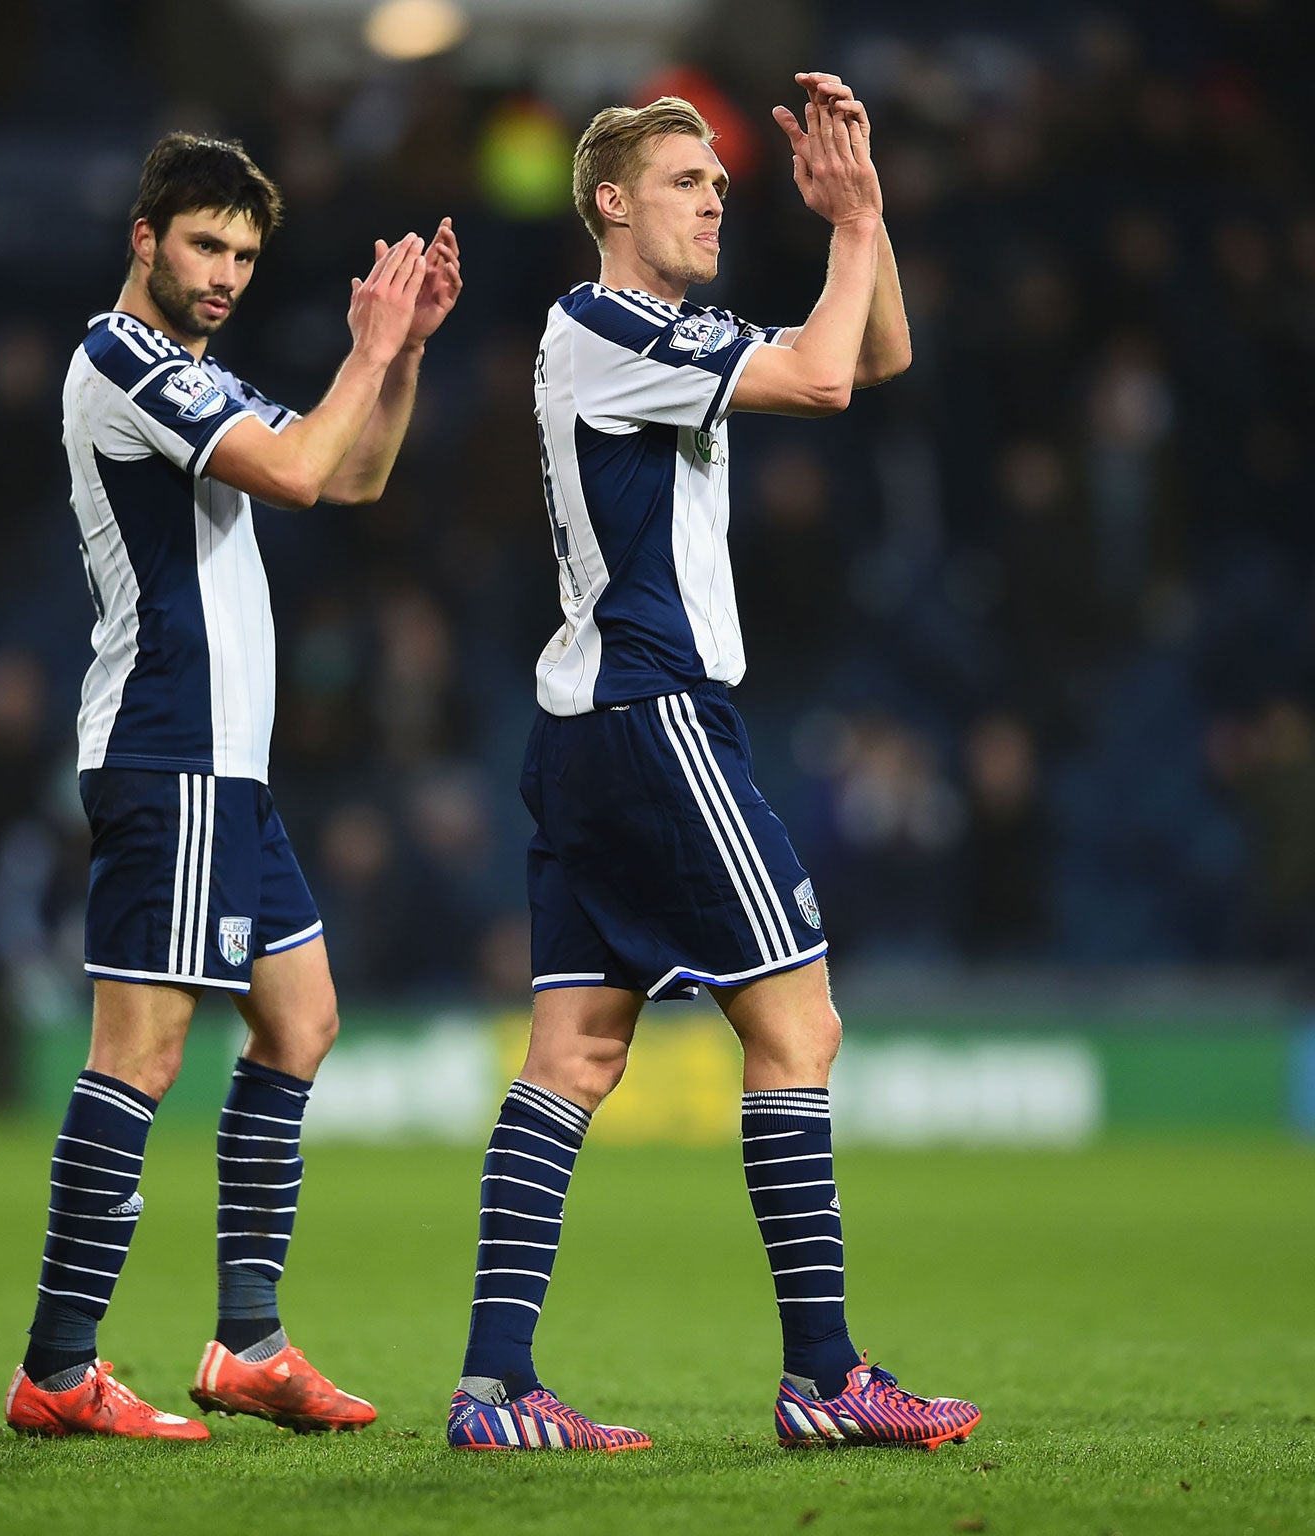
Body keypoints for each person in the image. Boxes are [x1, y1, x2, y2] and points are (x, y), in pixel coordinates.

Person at [444, 77, 981, 1453]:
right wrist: (852, 224)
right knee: (799, 1031)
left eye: (721, 189)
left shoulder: (666, 333)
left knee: (573, 1052)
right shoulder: (605, 318)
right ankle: (826, 1378)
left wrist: (863, 223)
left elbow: (875, 361)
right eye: (688, 182)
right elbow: (817, 372)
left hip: (588, 732)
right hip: (657, 714)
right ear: (611, 201)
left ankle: (496, 1388)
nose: (715, 202)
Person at [4, 133, 461, 1440]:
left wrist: (407, 350)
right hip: (169, 756)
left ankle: (248, 1343)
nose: (226, 273)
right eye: (206, 244)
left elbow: (354, 470)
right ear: (144, 236)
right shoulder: (126, 361)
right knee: (138, 1060)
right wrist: (365, 351)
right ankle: (57, 1367)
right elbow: (308, 469)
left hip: (230, 776)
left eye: (247, 255)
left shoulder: (190, 372)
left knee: (300, 1020)